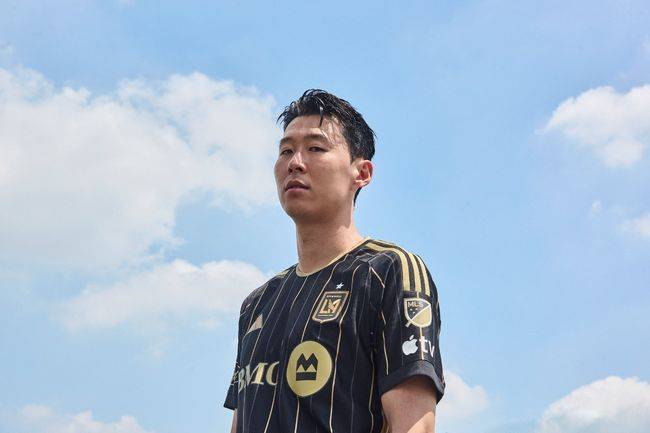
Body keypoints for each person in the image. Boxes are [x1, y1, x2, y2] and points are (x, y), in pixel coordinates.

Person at [224, 89, 445, 433]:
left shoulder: (389, 271)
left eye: (315, 148)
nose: (295, 162)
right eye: (286, 151)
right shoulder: (257, 303)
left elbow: (415, 426)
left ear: (362, 173)